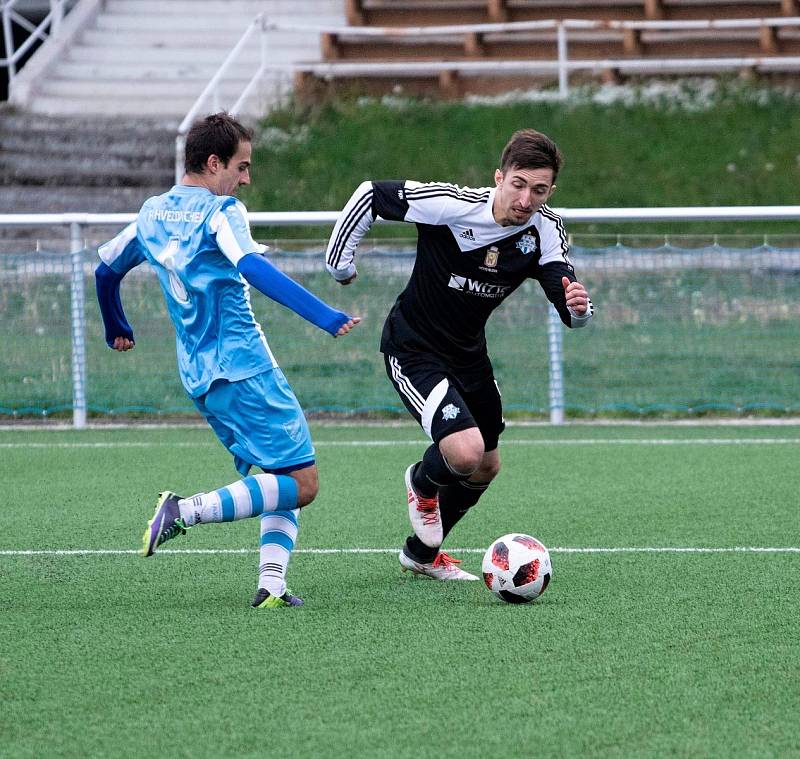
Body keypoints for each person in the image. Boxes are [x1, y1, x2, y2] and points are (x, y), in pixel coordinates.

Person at [96, 112, 360, 608]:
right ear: (213, 162)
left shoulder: (152, 213)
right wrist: (324, 315)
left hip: (199, 376)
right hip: (245, 368)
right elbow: (252, 266)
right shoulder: (222, 211)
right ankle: (184, 511)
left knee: (277, 478)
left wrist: (117, 326)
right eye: (241, 167)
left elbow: (105, 270)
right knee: (302, 483)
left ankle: (272, 586)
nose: (245, 179)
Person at [325, 129, 592, 581]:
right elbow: (370, 195)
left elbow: (565, 297)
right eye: (519, 185)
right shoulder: (450, 204)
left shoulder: (545, 230)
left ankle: (420, 554)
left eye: (540, 190)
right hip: (413, 348)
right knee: (464, 453)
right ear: (499, 178)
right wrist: (340, 265)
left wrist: (578, 309)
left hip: (468, 355)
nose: (527, 199)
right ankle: (421, 482)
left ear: (551, 191)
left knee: (486, 464)